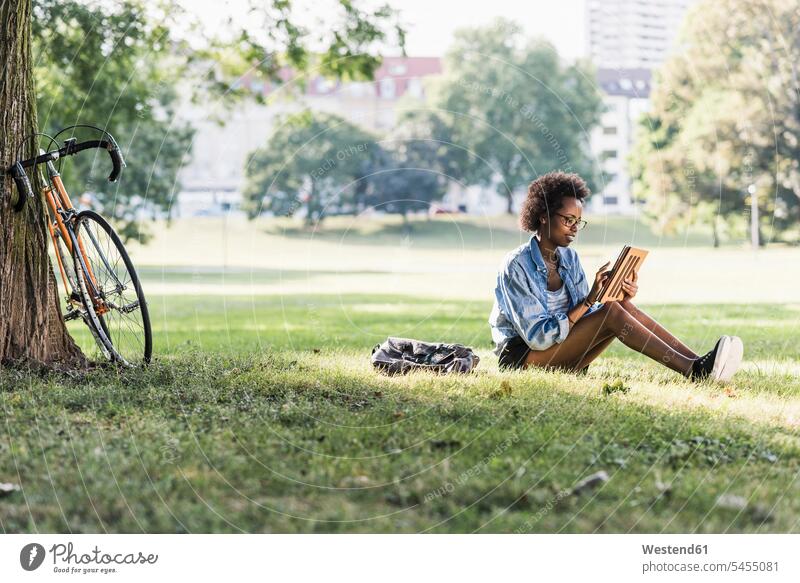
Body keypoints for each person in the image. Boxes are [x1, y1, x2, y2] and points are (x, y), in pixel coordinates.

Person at [488, 171, 743, 382]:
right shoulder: (516, 265)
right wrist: (590, 302)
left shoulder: (569, 258)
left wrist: (614, 295)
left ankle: (699, 362)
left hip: (561, 353)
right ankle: (694, 372)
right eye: (568, 220)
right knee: (611, 312)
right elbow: (539, 338)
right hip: (523, 359)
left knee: (618, 305)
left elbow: (584, 319)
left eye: (579, 221)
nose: (575, 228)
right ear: (543, 217)